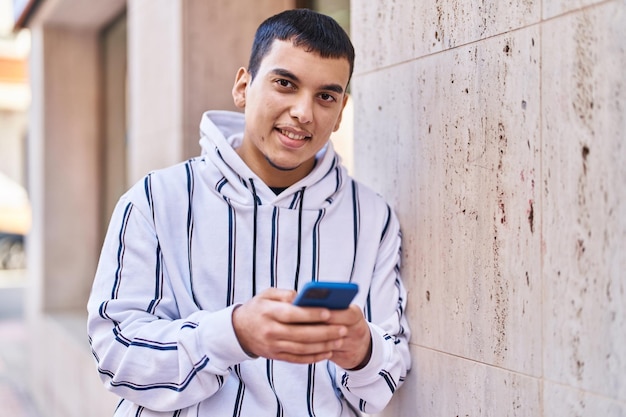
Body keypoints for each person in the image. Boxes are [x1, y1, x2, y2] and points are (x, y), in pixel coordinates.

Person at [87, 8, 411, 417]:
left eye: (325, 96)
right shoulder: (155, 200)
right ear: (243, 86)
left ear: (342, 109)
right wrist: (233, 333)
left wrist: (362, 350)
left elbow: (391, 367)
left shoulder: (372, 218)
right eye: (285, 84)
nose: (303, 112)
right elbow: (116, 355)